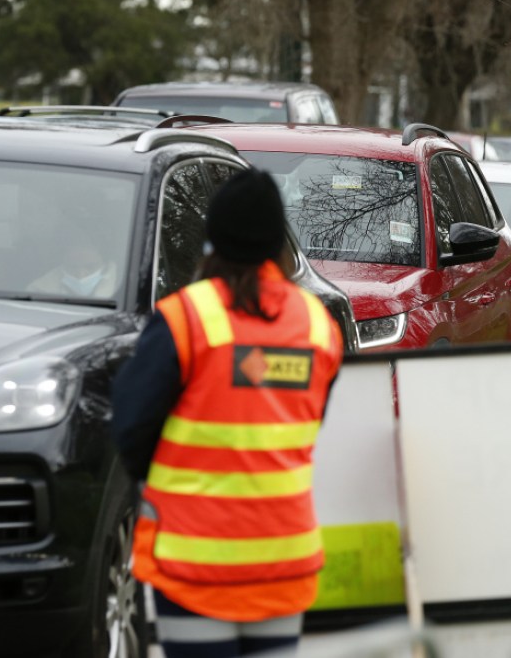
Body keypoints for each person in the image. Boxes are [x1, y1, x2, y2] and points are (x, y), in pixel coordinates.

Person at [111, 168, 344, 658]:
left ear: (213, 239)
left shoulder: (185, 318)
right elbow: (303, 425)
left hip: (195, 565)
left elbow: (131, 426)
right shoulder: (317, 326)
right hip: (283, 560)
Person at [27, 229, 119, 298]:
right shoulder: (38, 291)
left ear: (105, 264)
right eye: (72, 267)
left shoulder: (123, 288)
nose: (81, 275)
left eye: (90, 267)